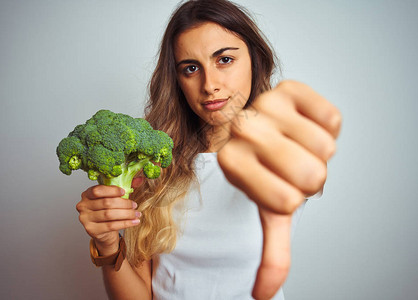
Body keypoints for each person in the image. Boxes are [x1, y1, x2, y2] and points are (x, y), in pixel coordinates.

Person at [76, 0, 341, 299]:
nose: (209, 84)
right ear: (177, 80)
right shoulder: (150, 164)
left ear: (255, 59)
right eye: (191, 68)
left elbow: (310, 173)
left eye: (224, 60)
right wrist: (108, 245)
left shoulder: (281, 148)